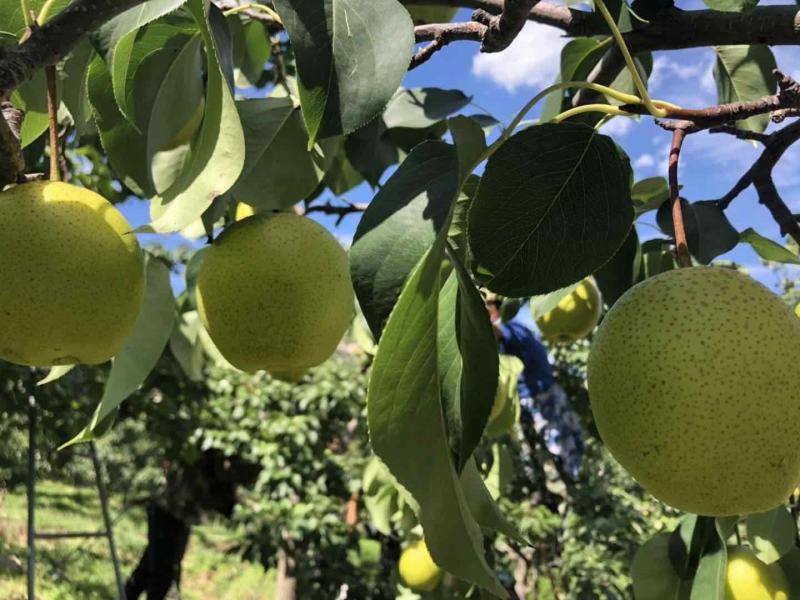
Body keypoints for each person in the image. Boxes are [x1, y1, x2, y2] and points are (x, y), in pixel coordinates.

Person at [485, 295, 584, 480]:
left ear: (495, 310)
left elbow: (494, 330)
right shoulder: (520, 327)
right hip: (549, 389)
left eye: (487, 307)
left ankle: (562, 482)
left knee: (554, 442)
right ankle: (567, 479)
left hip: (538, 396)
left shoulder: (508, 328)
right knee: (566, 438)